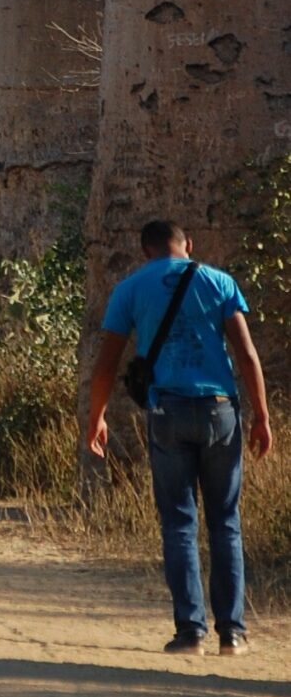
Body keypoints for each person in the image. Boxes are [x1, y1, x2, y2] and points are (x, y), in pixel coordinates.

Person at [86, 216, 274, 655]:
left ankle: (190, 633)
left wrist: (95, 417)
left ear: (145, 251)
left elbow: (107, 363)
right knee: (225, 522)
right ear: (187, 244)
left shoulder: (130, 289)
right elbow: (246, 354)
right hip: (220, 412)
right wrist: (262, 415)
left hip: (166, 412)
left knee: (178, 523)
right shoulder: (220, 282)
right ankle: (233, 633)